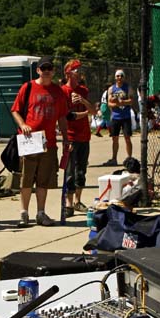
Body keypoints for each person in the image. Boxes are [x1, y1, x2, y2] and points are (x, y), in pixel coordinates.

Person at [10, 56, 68, 227]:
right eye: (43, 68)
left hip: (48, 142)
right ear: (38, 70)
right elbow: (15, 110)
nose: (46, 71)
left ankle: (40, 213)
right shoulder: (28, 87)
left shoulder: (57, 92)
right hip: (30, 140)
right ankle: (24, 213)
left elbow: (62, 117)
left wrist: (66, 138)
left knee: (44, 180)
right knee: (27, 178)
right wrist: (23, 124)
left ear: (53, 70)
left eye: (49, 68)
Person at [61, 59, 94, 216]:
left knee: (81, 170)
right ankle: (68, 204)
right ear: (68, 73)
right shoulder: (63, 92)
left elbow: (93, 109)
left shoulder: (83, 90)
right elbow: (68, 116)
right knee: (70, 171)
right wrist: (86, 114)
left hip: (84, 136)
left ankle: (77, 201)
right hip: (71, 137)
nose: (79, 73)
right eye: (76, 70)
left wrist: (83, 101)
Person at [104, 69, 135, 166]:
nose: (119, 78)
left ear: (124, 77)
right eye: (117, 76)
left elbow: (131, 101)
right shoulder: (111, 89)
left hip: (126, 116)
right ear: (115, 77)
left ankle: (129, 158)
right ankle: (114, 159)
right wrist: (116, 104)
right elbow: (109, 102)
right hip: (116, 117)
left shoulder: (128, 88)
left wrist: (122, 102)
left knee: (127, 138)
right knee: (115, 138)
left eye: (121, 76)